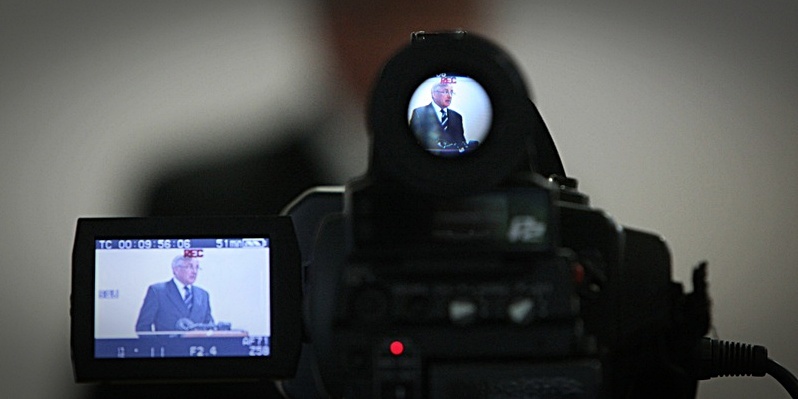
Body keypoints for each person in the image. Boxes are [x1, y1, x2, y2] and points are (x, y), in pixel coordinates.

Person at [135, 256, 213, 333]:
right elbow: (143, 327)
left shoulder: (203, 295)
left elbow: (209, 325)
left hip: (198, 345)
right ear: (176, 269)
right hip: (167, 344)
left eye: (197, 267)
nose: (194, 271)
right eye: (190, 267)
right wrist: (156, 345)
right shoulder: (158, 291)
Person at [409, 83, 467, 151]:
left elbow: (461, 142)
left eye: (451, 92)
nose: (450, 96)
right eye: (445, 92)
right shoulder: (419, 113)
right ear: (434, 94)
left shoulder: (457, 116)